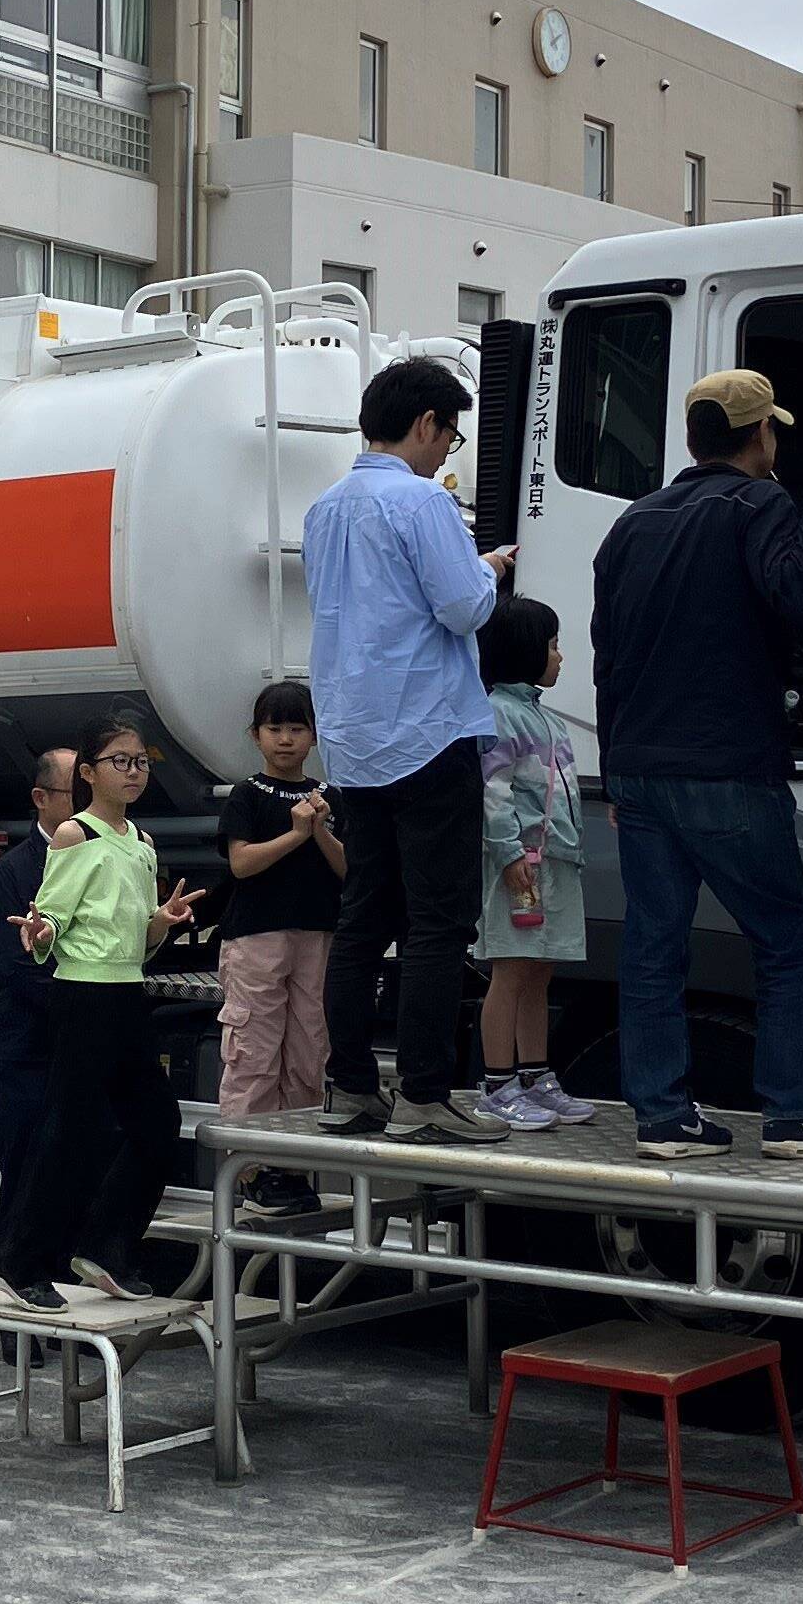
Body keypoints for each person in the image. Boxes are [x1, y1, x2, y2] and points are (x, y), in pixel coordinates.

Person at [590, 367, 803, 1157]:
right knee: (782, 939)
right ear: (761, 435)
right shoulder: (760, 504)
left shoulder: (633, 521)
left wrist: (616, 769)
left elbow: (607, 654)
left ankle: (662, 1117)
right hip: (727, 764)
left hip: (639, 768)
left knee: (654, 947)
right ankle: (794, 1113)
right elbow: (797, 596)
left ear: (692, 437)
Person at [304, 355, 517, 1149]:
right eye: (449, 436)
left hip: (353, 737)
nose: (445, 453)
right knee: (438, 922)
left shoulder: (324, 508)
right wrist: (486, 569)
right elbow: (461, 608)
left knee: (363, 918)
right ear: (426, 423)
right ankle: (425, 1095)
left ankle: (351, 1087)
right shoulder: (423, 500)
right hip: (427, 729)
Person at [0, 709, 201, 1314]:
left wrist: (161, 922)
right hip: (82, 994)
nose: (133, 772)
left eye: (140, 762)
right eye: (119, 762)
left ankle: (107, 1247)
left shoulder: (142, 843)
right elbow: (54, 916)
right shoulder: (73, 835)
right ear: (88, 772)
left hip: (127, 992)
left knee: (156, 1123)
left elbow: (139, 939)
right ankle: (18, 1262)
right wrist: (40, 931)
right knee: (68, 1132)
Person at [213, 676, 344, 1217]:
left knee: (310, 1052)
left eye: (297, 728)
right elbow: (241, 863)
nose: (285, 739)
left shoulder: (329, 797)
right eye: (274, 729)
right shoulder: (247, 793)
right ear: (256, 735)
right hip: (257, 936)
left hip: (317, 934)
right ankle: (250, 1170)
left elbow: (348, 870)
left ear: (314, 735)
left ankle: (293, 1164)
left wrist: (320, 830)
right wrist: (296, 834)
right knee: (254, 1052)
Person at [473, 593, 592, 1133]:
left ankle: (535, 1076)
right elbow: (493, 791)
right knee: (512, 968)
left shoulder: (544, 716)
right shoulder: (499, 712)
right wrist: (508, 852)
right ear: (524, 651)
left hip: (554, 860)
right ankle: (497, 1085)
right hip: (521, 863)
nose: (560, 657)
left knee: (540, 969)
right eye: (553, 645)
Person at [0, 747, 79, 1208]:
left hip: (88, 1039)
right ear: (41, 798)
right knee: (27, 1168)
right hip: (34, 1040)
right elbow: (12, 960)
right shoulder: (14, 869)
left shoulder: (108, 855)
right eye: (75, 792)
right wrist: (77, 1003)